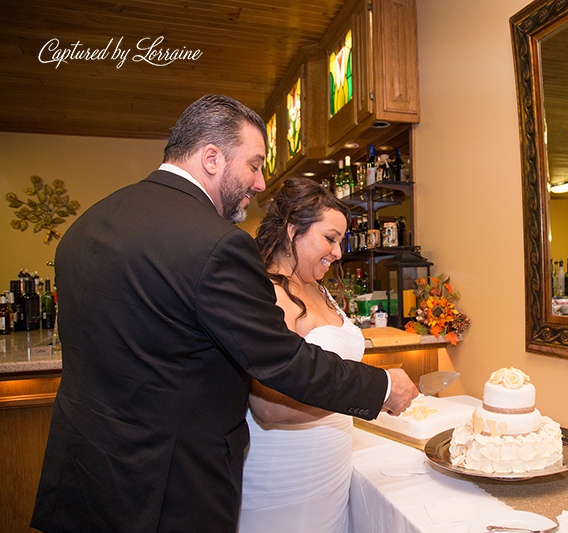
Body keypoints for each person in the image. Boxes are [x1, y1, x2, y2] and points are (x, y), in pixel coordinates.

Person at [31, 95, 417, 533]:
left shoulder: (87, 225)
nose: (259, 183)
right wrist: (380, 385)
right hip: (168, 486)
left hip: (86, 472)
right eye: (253, 165)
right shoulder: (215, 244)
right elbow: (281, 360)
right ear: (212, 157)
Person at [238, 178, 361, 532]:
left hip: (330, 471)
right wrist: (368, 394)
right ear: (293, 231)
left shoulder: (319, 289)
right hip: (286, 473)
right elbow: (269, 406)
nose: (338, 253)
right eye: (330, 238)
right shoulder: (268, 293)